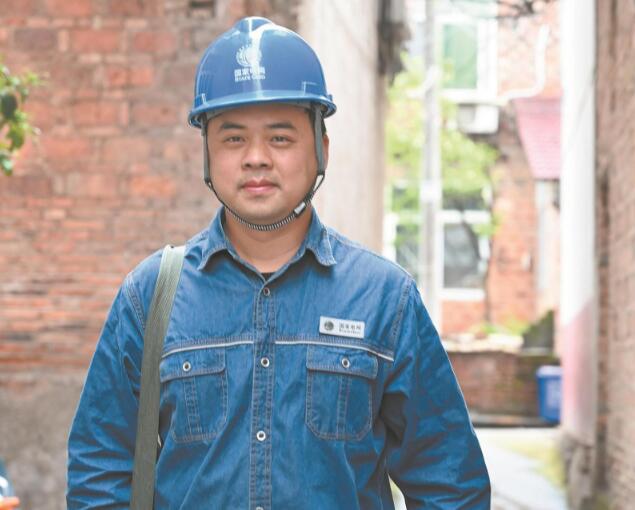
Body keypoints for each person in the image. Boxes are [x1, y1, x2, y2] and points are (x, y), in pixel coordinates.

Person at [67, 16, 490, 509]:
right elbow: (99, 473)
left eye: (280, 138)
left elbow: (449, 482)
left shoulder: (383, 299)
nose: (256, 158)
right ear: (206, 153)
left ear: (321, 149)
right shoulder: (151, 299)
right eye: (233, 138)